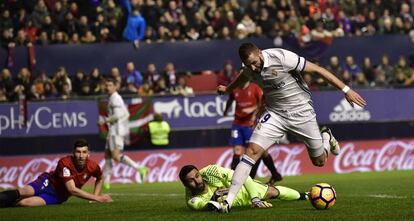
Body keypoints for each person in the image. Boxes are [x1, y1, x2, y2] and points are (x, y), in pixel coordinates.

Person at [216, 42, 367, 212]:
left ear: (259, 53)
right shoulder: (249, 68)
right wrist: (228, 89)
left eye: (254, 62)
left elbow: (317, 70)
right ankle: (227, 202)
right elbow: (243, 77)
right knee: (250, 152)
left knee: (319, 161)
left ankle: (326, 136)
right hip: (276, 114)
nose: (253, 67)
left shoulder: (282, 57)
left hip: (302, 112)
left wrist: (346, 90)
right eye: (248, 64)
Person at [0, 139, 113, 207]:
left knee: (25, 203)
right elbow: (72, 189)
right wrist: (97, 198)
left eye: (84, 152)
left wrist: (96, 195)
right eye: (78, 152)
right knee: (24, 191)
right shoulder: (65, 163)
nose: (81, 155)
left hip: (58, 197)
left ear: (88, 154)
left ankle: (8, 203)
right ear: (73, 153)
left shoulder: (93, 166)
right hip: (47, 183)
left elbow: (99, 178)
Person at [223, 80, 282, 184]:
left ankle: (270, 174)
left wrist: (253, 110)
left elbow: (263, 102)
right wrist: (225, 110)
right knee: (237, 150)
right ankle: (233, 178)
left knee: (260, 151)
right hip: (237, 124)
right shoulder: (235, 89)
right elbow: (230, 99)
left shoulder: (255, 88)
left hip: (251, 125)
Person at [179, 164, 308, 211]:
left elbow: (243, 175)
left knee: (273, 192)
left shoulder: (211, 171)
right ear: (185, 185)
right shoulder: (192, 200)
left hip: (240, 189)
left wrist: (255, 199)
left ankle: (305, 195)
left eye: (197, 176)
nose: (196, 181)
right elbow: (205, 206)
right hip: (233, 202)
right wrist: (214, 202)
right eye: (191, 181)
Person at [99, 77, 147, 189]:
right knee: (107, 154)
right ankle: (106, 180)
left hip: (116, 131)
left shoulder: (115, 98)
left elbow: (117, 115)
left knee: (115, 156)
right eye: (106, 85)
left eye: (110, 85)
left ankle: (139, 168)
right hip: (114, 130)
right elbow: (126, 114)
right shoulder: (113, 98)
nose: (107, 87)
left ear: (115, 87)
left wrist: (105, 120)